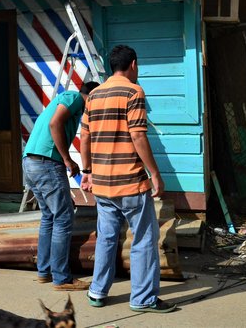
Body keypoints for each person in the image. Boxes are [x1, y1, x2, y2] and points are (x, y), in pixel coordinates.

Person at [79, 45, 176, 313]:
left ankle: (97, 292)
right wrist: (155, 173)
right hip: (131, 182)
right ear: (133, 64)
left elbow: (84, 136)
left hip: (102, 184)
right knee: (144, 238)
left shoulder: (94, 95)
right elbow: (138, 135)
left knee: (106, 238)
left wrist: (86, 172)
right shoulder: (133, 92)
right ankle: (143, 298)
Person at [23, 81, 99, 291]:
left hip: (31, 162)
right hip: (47, 164)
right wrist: (67, 159)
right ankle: (62, 278)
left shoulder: (66, 102)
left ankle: (44, 271)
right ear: (91, 96)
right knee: (64, 217)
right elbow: (55, 124)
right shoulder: (74, 97)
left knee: (49, 216)